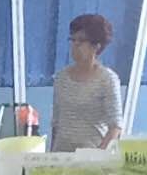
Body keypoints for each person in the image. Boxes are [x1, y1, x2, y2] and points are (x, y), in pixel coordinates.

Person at [50, 13, 124, 151]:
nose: (75, 45)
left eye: (81, 40)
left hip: (92, 156)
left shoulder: (107, 79)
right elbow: (56, 123)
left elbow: (115, 126)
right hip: (61, 157)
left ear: (96, 46)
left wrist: (99, 155)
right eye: (72, 40)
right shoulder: (61, 78)